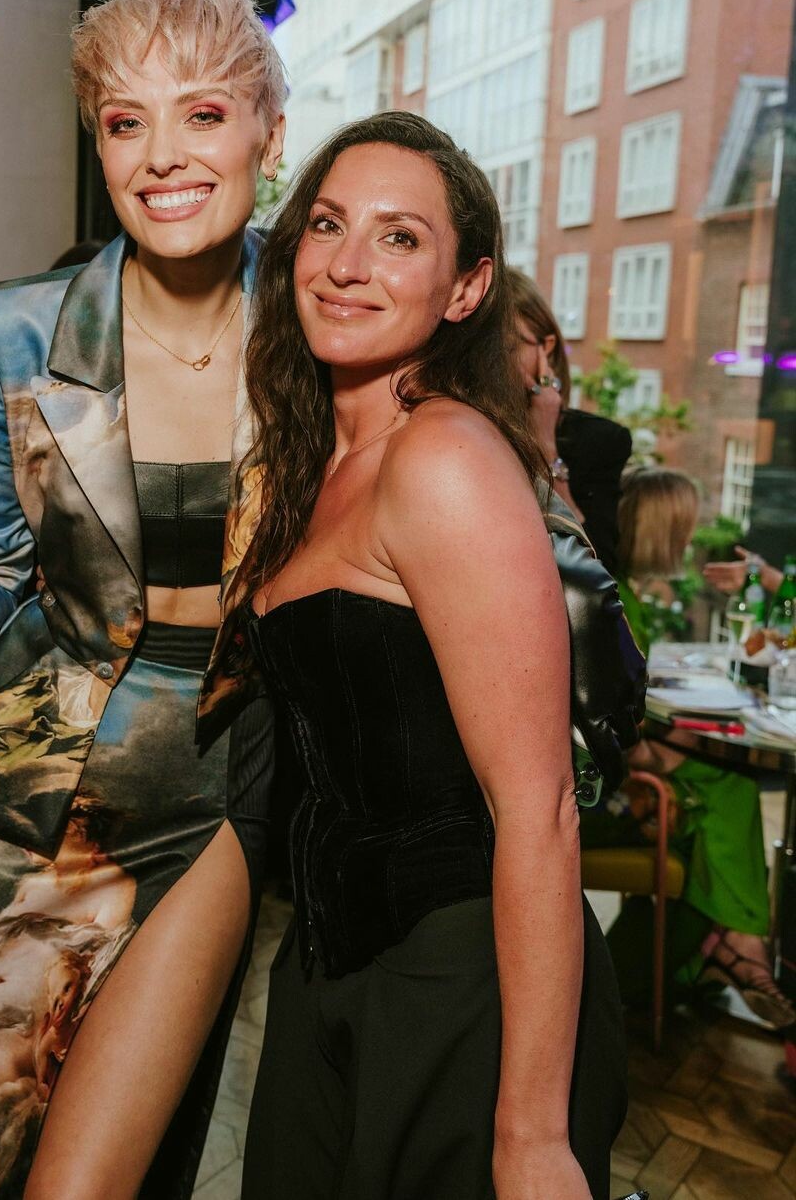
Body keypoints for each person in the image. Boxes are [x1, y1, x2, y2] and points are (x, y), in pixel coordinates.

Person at [0, 0, 286, 1198]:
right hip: (35, 800)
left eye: (205, 113)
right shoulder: (12, 329)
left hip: (234, 789)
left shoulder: (323, 328)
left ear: (268, 131)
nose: (164, 155)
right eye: (125, 120)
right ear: (98, 144)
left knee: (156, 1151)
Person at [237, 111, 626, 1199]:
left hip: (467, 976)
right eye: (328, 225)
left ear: (465, 289)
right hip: (332, 958)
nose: (347, 265)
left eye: (399, 237)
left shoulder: (445, 456)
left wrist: (533, 1132)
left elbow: (539, 806)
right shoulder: (310, 457)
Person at [588, 468, 792, 1027]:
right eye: (682, 528)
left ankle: (713, 956)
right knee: (729, 786)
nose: (690, 538)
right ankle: (732, 950)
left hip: (618, 767)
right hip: (610, 786)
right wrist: (666, 755)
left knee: (723, 785)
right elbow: (616, 726)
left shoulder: (616, 591)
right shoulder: (616, 601)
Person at [507, 269, 631, 577]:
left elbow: (597, 568)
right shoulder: (462, 428)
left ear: (545, 347)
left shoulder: (599, 441)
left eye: (508, 347)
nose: (492, 362)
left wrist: (546, 449)